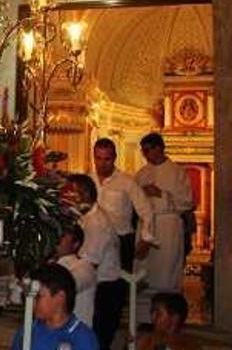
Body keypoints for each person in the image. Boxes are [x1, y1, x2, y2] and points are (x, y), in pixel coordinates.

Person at [134, 133, 194, 320]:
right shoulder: (142, 173)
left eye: (147, 150)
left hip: (168, 226)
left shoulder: (177, 172)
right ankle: (144, 319)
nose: (145, 155)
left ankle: (168, 318)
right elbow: (132, 201)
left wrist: (161, 194)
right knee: (144, 271)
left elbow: (188, 202)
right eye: (143, 151)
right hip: (146, 225)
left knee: (166, 271)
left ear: (159, 148)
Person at [66, 174, 121, 350]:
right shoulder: (84, 217)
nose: (67, 197)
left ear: (85, 194)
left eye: (70, 193)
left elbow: (89, 264)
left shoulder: (97, 222)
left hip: (103, 292)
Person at [90, 138, 156, 272]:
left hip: (121, 241)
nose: (102, 164)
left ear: (115, 157)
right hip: (93, 240)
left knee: (120, 286)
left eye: (107, 159)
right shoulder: (89, 180)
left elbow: (146, 210)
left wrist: (146, 238)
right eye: (98, 158)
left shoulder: (127, 182)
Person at [10, 264, 99, 350]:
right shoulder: (26, 332)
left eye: (38, 296)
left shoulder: (83, 339)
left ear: (60, 298)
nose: (31, 302)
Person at [53, 223, 97, 327]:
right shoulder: (50, 264)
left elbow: (65, 287)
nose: (57, 240)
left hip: (75, 336)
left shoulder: (85, 267)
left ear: (76, 244)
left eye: (63, 236)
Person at [137, 292, 202, 350]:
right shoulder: (146, 340)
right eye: (152, 312)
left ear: (175, 317)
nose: (153, 317)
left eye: (159, 313)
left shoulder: (189, 345)